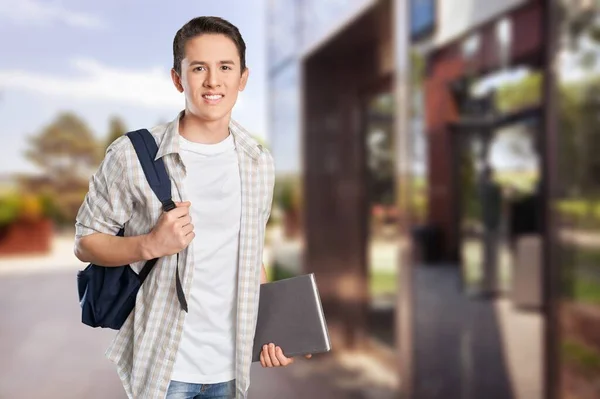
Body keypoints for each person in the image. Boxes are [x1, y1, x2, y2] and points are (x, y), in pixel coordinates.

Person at [74, 16, 310, 399]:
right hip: (166, 364)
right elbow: (85, 241)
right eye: (199, 68)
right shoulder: (132, 155)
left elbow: (251, 255)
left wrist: (272, 333)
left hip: (231, 366)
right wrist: (149, 244)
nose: (213, 81)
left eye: (225, 68)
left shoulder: (257, 162)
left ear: (242, 78)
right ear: (178, 78)